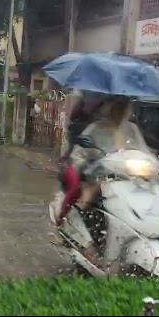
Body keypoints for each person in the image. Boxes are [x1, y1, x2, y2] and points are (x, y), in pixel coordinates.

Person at [56, 96, 151, 261]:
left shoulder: (132, 130)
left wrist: (153, 163)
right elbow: (79, 153)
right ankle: (89, 240)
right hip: (99, 176)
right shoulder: (97, 128)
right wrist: (89, 163)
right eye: (118, 107)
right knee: (87, 199)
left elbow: (144, 151)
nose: (121, 111)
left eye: (125, 107)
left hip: (128, 180)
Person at [55, 90, 105, 225]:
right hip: (80, 158)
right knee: (75, 186)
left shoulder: (118, 125)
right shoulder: (80, 121)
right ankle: (62, 214)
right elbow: (74, 140)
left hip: (104, 162)